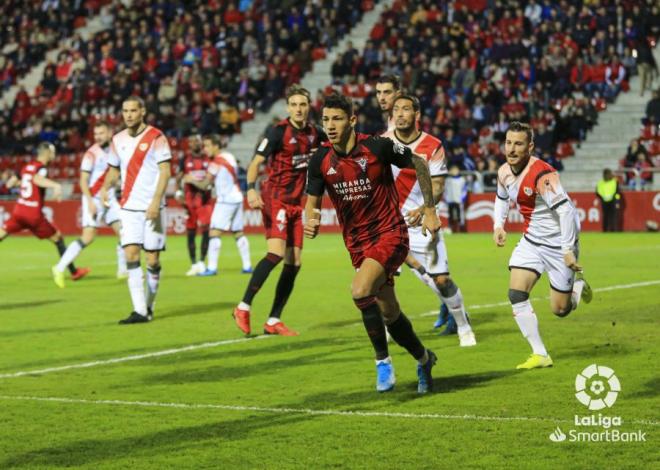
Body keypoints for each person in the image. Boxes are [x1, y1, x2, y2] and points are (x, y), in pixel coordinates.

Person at [305, 93, 440, 393]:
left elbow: (419, 163)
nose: (330, 125)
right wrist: (310, 218)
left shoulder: (377, 146)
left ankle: (383, 362)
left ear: (352, 120)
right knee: (389, 312)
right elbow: (312, 201)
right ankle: (424, 358)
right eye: (326, 119)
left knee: (360, 289)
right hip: (358, 245)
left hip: (390, 234)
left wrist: (429, 209)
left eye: (337, 118)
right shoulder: (320, 159)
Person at [493, 121, 593, 369]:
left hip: (559, 245)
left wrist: (568, 250)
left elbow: (567, 211)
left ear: (530, 146)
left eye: (518, 144)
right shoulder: (504, 171)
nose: (512, 149)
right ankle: (540, 354)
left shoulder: (542, 174)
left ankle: (577, 288)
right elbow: (501, 198)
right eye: (508, 143)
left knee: (560, 310)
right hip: (532, 242)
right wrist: (498, 225)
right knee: (516, 293)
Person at [382, 93, 476, 347]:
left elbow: (438, 185)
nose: (400, 114)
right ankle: (389, 328)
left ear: (417, 115)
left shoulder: (432, 145)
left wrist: (425, 208)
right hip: (388, 225)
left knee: (442, 280)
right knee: (382, 281)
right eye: (396, 110)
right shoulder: (382, 143)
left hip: (421, 223)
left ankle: (463, 325)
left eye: (405, 109)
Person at [232, 85, 326, 336]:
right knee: (275, 253)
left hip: (297, 202)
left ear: (309, 107)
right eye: (294, 104)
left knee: (294, 263)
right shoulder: (277, 132)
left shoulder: (316, 134)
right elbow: (256, 163)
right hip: (275, 197)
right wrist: (250, 189)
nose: (298, 109)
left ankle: (273, 320)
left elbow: (334, 154)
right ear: (288, 108)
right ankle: (243, 307)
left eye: (303, 104)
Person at [100, 96, 172, 324]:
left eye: (133, 110)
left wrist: (155, 202)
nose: (129, 115)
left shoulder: (156, 137)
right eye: (125, 111)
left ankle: (149, 306)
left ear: (143, 111)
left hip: (152, 207)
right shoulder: (117, 139)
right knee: (130, 254)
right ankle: (139, 310)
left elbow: (165, 172)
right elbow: (113, 170)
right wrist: (105, 186)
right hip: (128, 207)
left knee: (152, 259)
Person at [51, 121, 127, 287]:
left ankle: (123, 270)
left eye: (101, 133)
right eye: (96, 134)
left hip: (109, 198)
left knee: (124, 232)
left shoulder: (117, 150)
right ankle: (59, 267)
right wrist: (91, 203)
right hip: (93, 198)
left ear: (109, 133)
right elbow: (83, 180)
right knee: (88, 237)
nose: (98, 137)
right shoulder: (91, 154)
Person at [0, 142, 88, 281]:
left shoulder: (26, 166)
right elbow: (37, 179)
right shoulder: (41, 168)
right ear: (47, 153)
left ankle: (74, 271)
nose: (54, 155)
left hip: (19, 210)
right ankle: (74, 272)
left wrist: (20, 183)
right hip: (33, 214)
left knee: (2, 234)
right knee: (58, 238)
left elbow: (10, 184)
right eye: (52, 152)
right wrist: (55, 185)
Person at [184, 134, 252, 275]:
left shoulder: (216, 163)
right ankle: (247, 266)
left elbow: (204, 184)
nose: (205, 149)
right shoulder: (229, 157)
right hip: (237, 197)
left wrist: (190, 179)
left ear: (216, 146)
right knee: (238, 232)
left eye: (208, 146)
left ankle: (212, 268)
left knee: (214, 232)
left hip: (225, 200)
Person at [176, 133, 212, 276]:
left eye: (196, 141)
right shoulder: (184, 159)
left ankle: (202, 261)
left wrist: (194, 180)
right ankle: (193, 264)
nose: (194, 143)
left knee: (206, 231)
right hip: (190, 201)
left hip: (205, 200)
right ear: (188, 144)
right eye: (191, 141)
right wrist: (178, 192)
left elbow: (212, 176)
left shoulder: (208, 158)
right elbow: (179, 177)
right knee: (190, 233)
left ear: (200, 142)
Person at [444, 165, 467, 233]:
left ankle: (461, 228)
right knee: (450, 214)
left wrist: (462, 198)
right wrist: (446, 198)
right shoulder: (448, 180)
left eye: (455, 170)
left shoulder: (462, 179)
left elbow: (464, 190)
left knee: (460, 214)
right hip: (450, 200)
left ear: (458, 171)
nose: (454, 172)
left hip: (458, 200)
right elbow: (445, 190)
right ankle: (450, 228)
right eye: (453, 170)